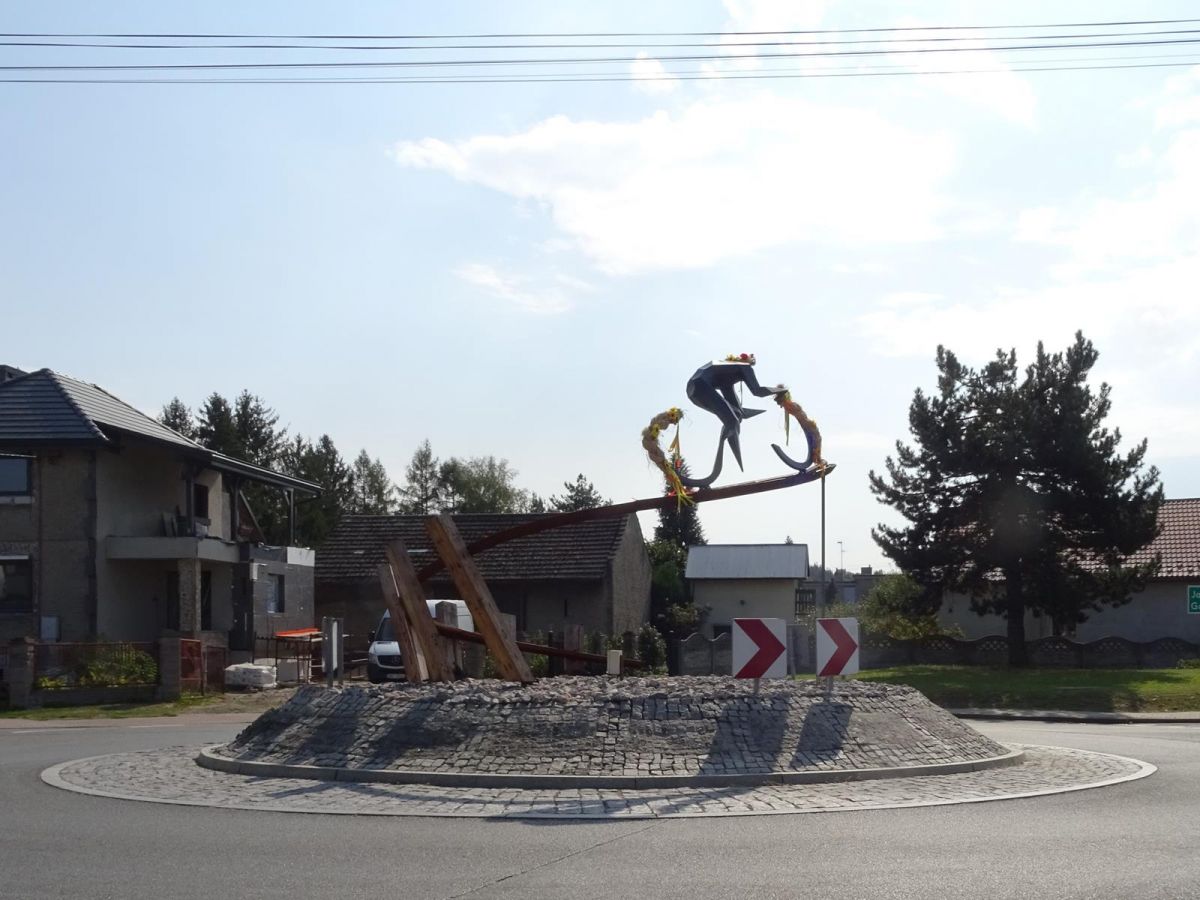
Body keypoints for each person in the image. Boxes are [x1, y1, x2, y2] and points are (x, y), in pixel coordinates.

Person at [686, 353, 786, 471]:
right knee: (732, 421)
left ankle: (721, 460)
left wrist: (739, 413)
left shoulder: (726, 373)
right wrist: (781, 390)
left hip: (692, 391)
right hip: (700, 386)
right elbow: (758, 391)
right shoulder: (744, 366)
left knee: (734, 417)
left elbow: (734, 404)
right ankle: (717, 468)